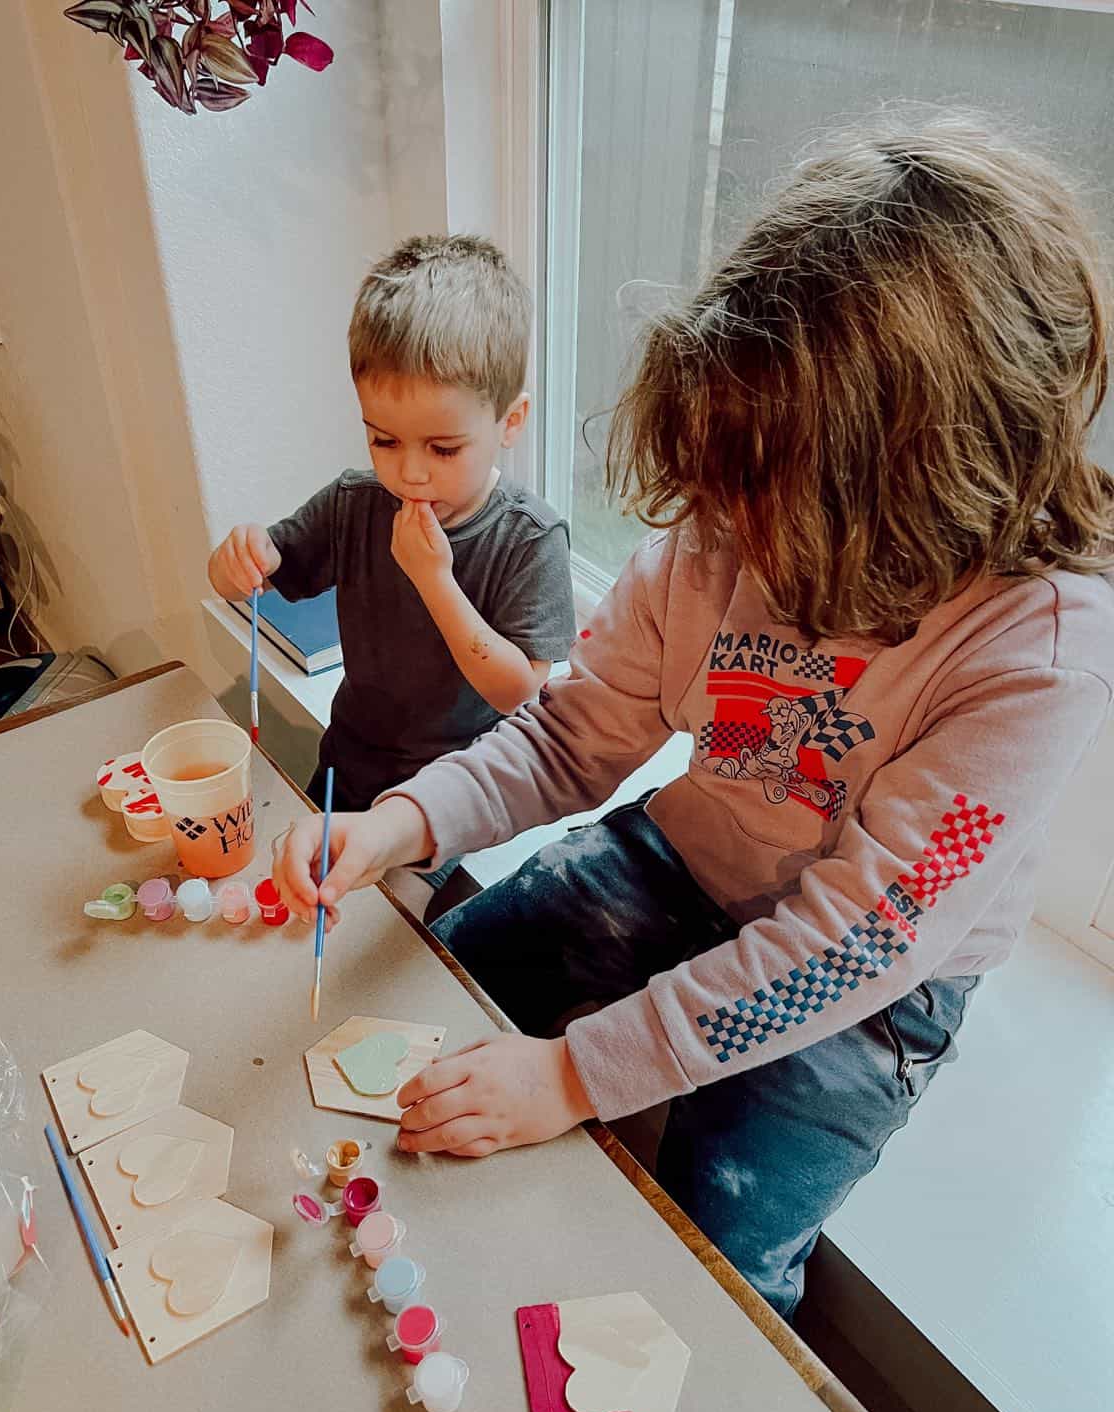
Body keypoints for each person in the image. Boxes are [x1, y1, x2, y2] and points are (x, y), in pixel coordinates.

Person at [272, 119, 1114, 1316]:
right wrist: (401, 823)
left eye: (766, 496)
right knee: (434, 1006)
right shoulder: (734, 507)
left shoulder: (1040, 657)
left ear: (920, 479)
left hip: (871, 989)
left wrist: (574, 1074)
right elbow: (572, 737)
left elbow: (855, 947)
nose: (725, 530)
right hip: (680, 858)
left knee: (712, 1266)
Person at [208, 234, 576, 912]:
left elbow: (517, 691)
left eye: (443, 447)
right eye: (383, 438)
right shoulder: (355, 502)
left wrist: (435, 578)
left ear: (511, 420)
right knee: (301, 910)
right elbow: (250, 577)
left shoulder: (530, 538)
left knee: (383, 933)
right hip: (346, 763)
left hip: (451, 798)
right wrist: (236, 560)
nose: (409, 470)